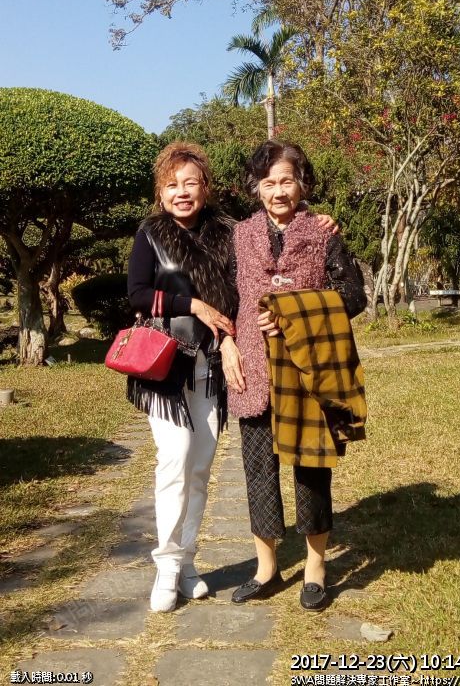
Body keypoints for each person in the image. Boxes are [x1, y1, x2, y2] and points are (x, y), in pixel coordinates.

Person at [219, 141, 367, 611]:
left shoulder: (323, 232)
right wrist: (226, 343)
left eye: (287, 180)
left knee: (312, 469)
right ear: (256, 188)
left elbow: (353, 295)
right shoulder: (239, 235)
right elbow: (224, 298)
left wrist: (291, 311)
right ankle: (266, 569)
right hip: (253, 368)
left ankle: (315, 569)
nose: (278, 191)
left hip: (307, 370)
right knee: (258, 469)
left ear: (302, 184)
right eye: (268, 183)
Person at [127, 141, 237, 613]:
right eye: (172, 185)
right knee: (174, 458)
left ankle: (188, 561)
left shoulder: (228, 234)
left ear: (206, 188)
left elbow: (246, 283)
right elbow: (137, 293)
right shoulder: (150, 234)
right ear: (160, 191)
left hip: (210, 366)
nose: (182, 192)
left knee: (200, 467)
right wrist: (193, 304)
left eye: (191, 183)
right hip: (165, 366)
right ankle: (167, 567)